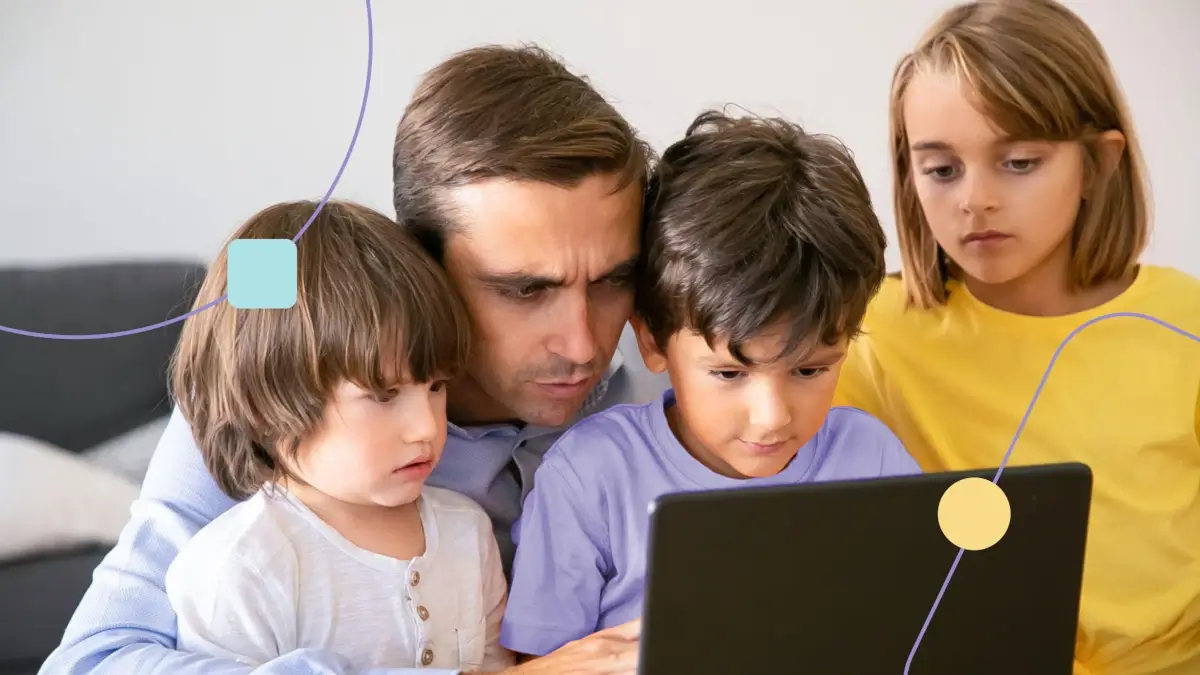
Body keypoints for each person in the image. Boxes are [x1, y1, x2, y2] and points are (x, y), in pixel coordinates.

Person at [42, 45, 662, 675]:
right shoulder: (276, 398)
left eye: (614, 279)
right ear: (420, 268)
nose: (585, 346)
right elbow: (90, 664)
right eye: (525, 290)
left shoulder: (663, 389)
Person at [833, 1, 1200, 673]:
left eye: (1020, 162)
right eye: (941, 170)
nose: (976, 200)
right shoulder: (871, 332)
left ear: (1098, 163)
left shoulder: (1186, 323)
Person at [499, 110, 922, 657]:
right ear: (651, 341)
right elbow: (546, 666)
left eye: (811, 370)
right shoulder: (591, 476)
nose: (772, 416)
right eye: (729, 373)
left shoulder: (873, 460)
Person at [161, 200, 513, 672]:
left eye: (436, 387)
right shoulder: (238, 568)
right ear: (270, 401)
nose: (427, 427)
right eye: (383, 395)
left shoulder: (467, 532)